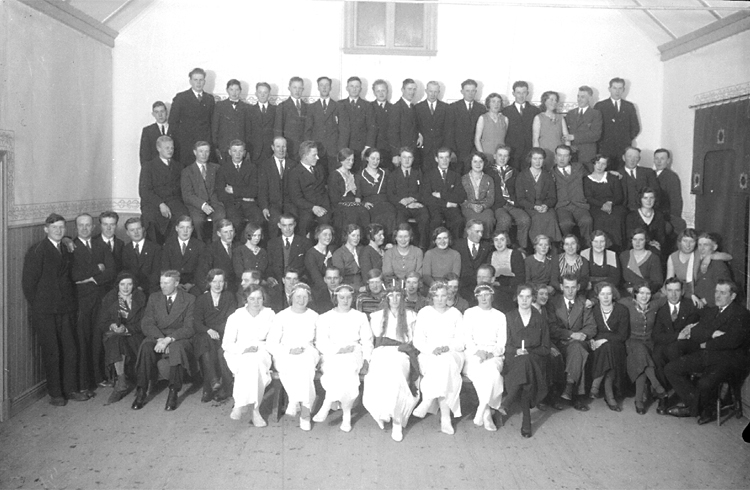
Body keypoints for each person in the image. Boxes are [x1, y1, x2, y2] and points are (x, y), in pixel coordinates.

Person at [665, 280, 750, 424]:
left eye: (722, 293)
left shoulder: (741, 314)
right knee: (671, 369)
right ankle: (699, 407)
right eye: (716, 292)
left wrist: (706, 342)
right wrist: (712, 333)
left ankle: (697, 409)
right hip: (708, 355)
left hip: (729, 360)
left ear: (733, 296)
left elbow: (732, 341)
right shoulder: (712, 311)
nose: (717, 296)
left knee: (704, 383)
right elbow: (695, 332)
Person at [22, 214, 85, 406]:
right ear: (46, 229)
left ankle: (71, 389)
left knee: (70, 350)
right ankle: (56, 393)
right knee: (52, 352)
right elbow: (28, 284)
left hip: (65, 309)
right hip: (45, 311)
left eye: (61, 227)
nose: (58, 230)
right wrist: (41, 306)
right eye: (54, 227)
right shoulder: (37, 251)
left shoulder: (65, 248)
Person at [132, 271, 196, 411]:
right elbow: (147, 323)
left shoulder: (189, 299)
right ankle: (141, 390)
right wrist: (160, 339)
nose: (162, 286)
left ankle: (173, 391)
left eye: (167, 283)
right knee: (146, 347)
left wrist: (169, 339)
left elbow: (189, 327)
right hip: (158, 335)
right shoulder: (154, 297)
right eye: (161, 282)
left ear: (176, 283)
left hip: (178, 337)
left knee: (177, 349)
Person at [313, 284, 373, 432]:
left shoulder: (360, 316)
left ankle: (327, 402)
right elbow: (321, 342)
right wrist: (338, 350)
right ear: (336, 298)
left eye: (348, 297)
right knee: (340, 369)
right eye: (341, 297)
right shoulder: (325, 317)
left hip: (353, 352)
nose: (345, 301)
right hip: (332, 353)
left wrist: (366, 359)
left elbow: (367, 341)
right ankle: (346, 415)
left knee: (347, 366)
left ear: (353, 298)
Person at [363, 287, 419, 442]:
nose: (394, 299)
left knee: (396, 374)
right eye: (391, 296)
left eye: (398, 295)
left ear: (402, 297)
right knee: (376, 373)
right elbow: (374, 337)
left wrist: (407, 348)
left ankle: (397, 420)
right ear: (386, 298)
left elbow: (414, 339)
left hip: (401, 351)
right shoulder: (377, 316)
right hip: (381, 351)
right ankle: (381, 411)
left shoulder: (411, 315)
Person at [412, 282, 466, 435]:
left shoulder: (455, 313)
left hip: (453, 353)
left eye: (443, 296)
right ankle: (445, 418)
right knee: (441, 365)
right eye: (437, 296)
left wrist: (448, 347)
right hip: (429, 354)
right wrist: (432, 350)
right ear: (432, 297)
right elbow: (418, 341)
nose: (440, 299)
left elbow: (461, 341)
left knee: (445, 361)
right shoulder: (424, 312)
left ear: (448, 296)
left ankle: (428, 399)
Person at [498, 284, 550, 438]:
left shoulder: (539, 319)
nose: (524, 300)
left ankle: (508, 402)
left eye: (528, 297)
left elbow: (545, 348)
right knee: (525, 370)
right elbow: (504, 345)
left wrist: (529, 352)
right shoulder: (509, 317)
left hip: (534, 359)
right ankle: (526, 420)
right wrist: (516, 351)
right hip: (514, 359)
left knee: (527, 363)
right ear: (517, 298)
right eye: (521, 296)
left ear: (533, 298)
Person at [71, 213, 116, 391]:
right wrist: (97, 268)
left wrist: (92, 279)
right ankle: (84, 382)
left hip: (100, 299)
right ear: (76, 227)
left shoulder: (101, 245)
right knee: (83, 340)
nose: (84, 228)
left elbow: (111, 271)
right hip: (81, 302)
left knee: (98, 338)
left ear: (93, 227)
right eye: (81, 225)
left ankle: (98, 377)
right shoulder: (71, 247)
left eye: (88, 225)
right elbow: (74, 275)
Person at [267, 283, 319, 430]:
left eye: (304, 297)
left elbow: (319, 341)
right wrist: (288, 351)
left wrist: (310, 350)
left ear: (309, 298)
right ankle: (301, 406)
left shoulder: (314, 316)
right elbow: (271, 343)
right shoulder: (281, 316)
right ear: (291, 298)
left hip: (307, 351)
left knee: (305, 364)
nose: (301, 300)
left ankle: (299, 407)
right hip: (285, 352)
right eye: (298, 296)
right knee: (291, 364)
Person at [222, 284, 273, 427]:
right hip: (239, 352)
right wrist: (244, 349)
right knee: (249, 363)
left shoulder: (270, 314)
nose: (256, 302)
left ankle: (241, 404)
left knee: (255, 362)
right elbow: (227, 343)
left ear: (263, 299)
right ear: (246, 299)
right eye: (252, 299)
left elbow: (273, 340)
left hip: (262, 350)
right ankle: (255, 411)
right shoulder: (236, 316)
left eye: (259, 298)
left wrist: (259, 348)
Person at [462, 284, 507, 431]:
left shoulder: (500, 316)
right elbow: (467, 338)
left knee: (493, 373)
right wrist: (477, 351)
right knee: (479, 373)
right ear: (476, 297)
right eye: (480, 295)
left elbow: (502, 342)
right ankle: (486, 413)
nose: (483, 298)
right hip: (473, 353)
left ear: (492, 296)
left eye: (486, 294)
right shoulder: (469, 313)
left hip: (493, 354)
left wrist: (492, 353)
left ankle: (481, 408)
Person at [652, 277, 700, 414]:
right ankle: (664, 395)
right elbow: (656, 335)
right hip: (669, 343)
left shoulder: (690, 306)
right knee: (657, 355)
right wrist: (677, 336)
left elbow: (699, 326)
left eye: (677, 291)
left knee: (673, 350)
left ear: (683, 291)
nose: (673, 295)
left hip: (686, 345)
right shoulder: (661, 310)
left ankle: (682, 393)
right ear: (665, 291)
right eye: (670, 291)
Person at [620, 282, 669, 414]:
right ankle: (657, 386)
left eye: (648, 293)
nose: (644, 296)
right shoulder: (627, 303)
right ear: (635, 294)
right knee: (640, 352)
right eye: (641, 293)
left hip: (649, 343)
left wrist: (693, 295)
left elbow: (670, 296)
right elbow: (610, 298)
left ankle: (639, 400)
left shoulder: (655, 304)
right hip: (631, 342)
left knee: (641, 362)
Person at [550, 275, 596, 411]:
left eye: (573, 287)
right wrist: (571, 334)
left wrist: (581, 336)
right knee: (576, 351)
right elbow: (551, 327)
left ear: (578, 287)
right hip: (559, 341)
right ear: (561, 287)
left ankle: (569, 388)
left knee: (577, 349)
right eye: (567, 287)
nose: (570, 291)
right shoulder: (553, 302)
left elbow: (591, 327)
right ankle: (576, 395)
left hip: (578, 342)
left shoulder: (583, 303)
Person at [98, 272, 146, 404]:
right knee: (116, 340)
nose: (125, 287)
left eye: (129, 284)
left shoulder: (140, 298)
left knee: (120, 341)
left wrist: (127, 329)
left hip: (135, 335)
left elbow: (144, 323)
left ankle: (123, 384)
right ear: (117, 285)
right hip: (116, 336)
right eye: (122, 284)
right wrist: (112, 326)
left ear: (134, 285)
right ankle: (121, 382)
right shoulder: (110, 299)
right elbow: (102, 322)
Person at [193, 269, 238, 403]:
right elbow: (197, 322)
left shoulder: (229, 296)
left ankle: (211, 386)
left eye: (221, 281)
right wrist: (208, 330)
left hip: (224, 333)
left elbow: (231, 319)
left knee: (217, 350)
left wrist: (217, 331)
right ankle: (213, 382)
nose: (218, 285)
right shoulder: (201, 299)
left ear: (225, 283)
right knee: (205, 342)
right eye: (214, 281)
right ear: (209, 283)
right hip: (205, 334)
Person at [139, 135, 189, 244]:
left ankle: (173, 249)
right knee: (151, 219)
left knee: (182, 216)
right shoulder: (148, 166)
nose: (170, 150)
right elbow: (144, 191)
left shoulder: (179, 166)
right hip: (153, 203)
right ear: (158, 148)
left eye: (172, 148)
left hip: (173, 201)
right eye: (167, 148)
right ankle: (156, 250)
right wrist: (160, 204)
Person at [589, 281, 629, 412]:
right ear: (597, 296)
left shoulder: (622, 310)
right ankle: (609, 396)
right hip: (598, 346)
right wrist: (592, 340)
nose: (606, 297)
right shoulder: (594, 310)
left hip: (617, 345)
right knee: (607, 349)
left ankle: (596, 384)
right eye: (602, 294)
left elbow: (622, 335)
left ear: (613, 295)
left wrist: (604, 339)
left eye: (608, 294)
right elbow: (590, 329)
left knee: (609, 348)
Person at [665, 228, 731, 306]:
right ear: (680, 241)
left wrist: (710, 256)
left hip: (699, 298)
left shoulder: (699, 254)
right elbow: (669, 281)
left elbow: (729, 257)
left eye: (691, 241)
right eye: (685, 241)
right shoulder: (673, 257)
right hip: (683, 293)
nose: (688, 245)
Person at [168, 67, 215, 167]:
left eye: (201, 80)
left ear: (204, 81)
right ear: (190, 81)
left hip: (204, 145)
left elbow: (212, 123)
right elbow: (173, 122)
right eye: (195, 80)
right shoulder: (181, 98)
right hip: (186, 146)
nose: (198, 83)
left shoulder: (210, 99)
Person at [181, 141, 227, 241]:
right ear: (195, 152)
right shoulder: (187, 171)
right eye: (201, 151)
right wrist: (202, 205)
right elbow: (187, 195)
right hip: (197, 205)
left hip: (215, 203)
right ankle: (200, 246)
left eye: (207, 151)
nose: (204, 154)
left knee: (221, 217)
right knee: (197, 222)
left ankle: (216, 245)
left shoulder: (216, 168)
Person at [487, 145, 531, 249]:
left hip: (513, 204)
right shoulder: (488, 171)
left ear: (509, 158)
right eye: (500, 155)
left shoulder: (514, 172)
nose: (502, 158)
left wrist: (517, 203)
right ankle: (500, 247)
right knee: (504, 220)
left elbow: (519, 190)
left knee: (525, 219)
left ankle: (521, 248)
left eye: (505, 156)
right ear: (494, 156)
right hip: (497, 205)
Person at [385, 147, 430, 249]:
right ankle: (402, 247)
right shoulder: (393, 175)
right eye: (404, 157)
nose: (407, 160)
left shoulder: (418, 173)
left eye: (409, 157)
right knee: (400, 221)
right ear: (400, 159)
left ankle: (422, 247)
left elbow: (424, 191)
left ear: (413, 159)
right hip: (401, 206)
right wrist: (405, 203)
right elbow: (390, 194)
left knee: (425, 217)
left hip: (416, 204)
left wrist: (414, 200)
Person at [515, 148, 562, 244]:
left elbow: (552, 197)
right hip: (529, 207)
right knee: (537, 219)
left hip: (544, 207)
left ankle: (552, 246)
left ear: (544, 160)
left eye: (540, 158)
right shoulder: (522, 176)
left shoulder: (548, 176)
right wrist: (534, 206)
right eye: (535, 158)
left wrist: (546, 205)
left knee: (550, 217)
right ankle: (537, 246)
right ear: (530, 159)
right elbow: (520, 199)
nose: (537, 162)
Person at [287, 140, 332, 237]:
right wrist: (312, 207)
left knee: (326, 221)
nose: (317, 158)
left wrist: (324, 207)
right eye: (314, 155)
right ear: (305, 156)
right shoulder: (295, 173)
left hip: (321, 205)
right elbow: (296, 198)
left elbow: (323, 191)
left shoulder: (320, 168)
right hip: (305, 208)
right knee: (305, 222)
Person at [216, 139, 263, 233]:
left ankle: (250, 241)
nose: (237, 154)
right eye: (234, 151)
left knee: (259, 219)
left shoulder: (252, 167)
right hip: (232, 204)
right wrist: (243, 196)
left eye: (240, 151)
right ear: (229, 152)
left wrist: (233, 190)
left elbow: (254, 191)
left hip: (249, 204)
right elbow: (221, 194)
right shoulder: (223, 169)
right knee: (235, 222)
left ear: (244, 153)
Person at [583, 154, 627, 249]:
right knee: (600, 219)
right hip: (596, 206)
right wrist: (602, 204)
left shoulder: (613, 177)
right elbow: (589, 197)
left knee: (617, 218)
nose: (600, 166)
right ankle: (600, 247)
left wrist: (610, 203)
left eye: (603, 164)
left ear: (607, 166)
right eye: (598, 163)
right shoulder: (587, 179)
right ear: (594, 163)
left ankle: (617, 248)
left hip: (614, 205)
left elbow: (619, 196)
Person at [594, 77, 641, 165]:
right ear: (609, 89)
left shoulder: (629, 106)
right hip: (605, 148)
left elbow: (635, 128)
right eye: (614, 88)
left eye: (620, 88)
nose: (617, 91)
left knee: (622, 171)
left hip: (623, 148)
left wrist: (625, 139)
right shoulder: (600, 106)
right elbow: (595, 128)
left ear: (624, 90)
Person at [423, 147, 466, 241]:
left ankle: (455, 246)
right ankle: (433, 247)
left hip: (451, 208)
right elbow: (426, 197)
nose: (444, 161)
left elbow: (461, 196)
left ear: (450, 159)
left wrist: (441, 195)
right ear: (436, 159)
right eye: (441, 157)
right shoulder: (429, 175)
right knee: (436, 221)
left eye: (447, 157)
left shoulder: (455, 175)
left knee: (459, 220)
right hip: (435, 207)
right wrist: (446, 203)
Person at [257, 136, 296, 238]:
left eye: (284, 146)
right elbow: (262, 189)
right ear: (272, 147)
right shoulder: (264, 165)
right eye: (278, 146)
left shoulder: (293, 165)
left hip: (290, 203)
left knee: (294, 220)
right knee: (274, 221)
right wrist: (264, 207)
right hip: (273, 204)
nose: (281, 150)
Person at [551, 145, 592, 240]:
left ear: (570, 157)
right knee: (565, 224)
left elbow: (593, 178)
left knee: (587, 221)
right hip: (562, 206)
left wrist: (609, 173)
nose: (562, 159)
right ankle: (567, 245)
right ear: (555, 156)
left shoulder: (579, 168)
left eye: (565, 156)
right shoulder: (551, 172)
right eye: (559, 155)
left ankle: (586, 246)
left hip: (579, 205)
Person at [446, 79, 486, 172]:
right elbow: (449, 131)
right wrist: (451, 151)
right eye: (467, 91)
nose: (470, 93)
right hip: (458, 151)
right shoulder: (453, 107)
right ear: (462, 91)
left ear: (476, 91)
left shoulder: (481, 108)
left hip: (474, 151)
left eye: (473, 91)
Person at [338, 76, 376, 172]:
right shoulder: (339, 104)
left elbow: (372, 128)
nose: (354, 89)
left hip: (360, 149)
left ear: (361, 89)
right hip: (343, 147)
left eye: (357, 86)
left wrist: (367, 147)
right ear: (347, 88)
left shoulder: (367, 106)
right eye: (351, 86)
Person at [356, 150, 397, 238]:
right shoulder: (360, 175)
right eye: (373, 158)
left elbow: (392, 190)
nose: (375, 161)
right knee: (377, 216)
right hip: (370, 204)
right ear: (367, 158)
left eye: (378, 159)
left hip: (385, 202)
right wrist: (363, 204)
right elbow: (358, 196)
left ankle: (389, 241)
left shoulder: (385, 172)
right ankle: (376, 241)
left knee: (391, 213)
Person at [160, 216, 205, 295]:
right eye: (182, 227)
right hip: (173, 283)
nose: (185, 231)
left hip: (193, 284)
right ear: (176, 228)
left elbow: (201, 270)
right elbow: (165, 267)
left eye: (188, 227)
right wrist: (175, 283)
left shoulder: (200, 246)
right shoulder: (168, 245)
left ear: (192, 229)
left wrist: (191, 284)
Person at [305, 76, 341, 172]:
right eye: (321, 85)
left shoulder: (338, 106)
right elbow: (308, 130)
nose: (324, 88)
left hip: (333, 151)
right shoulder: (311, 107)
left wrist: (340, 149)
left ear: (331, 87)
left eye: (327, 85)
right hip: (317, 150)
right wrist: (310, 149)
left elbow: (343, 130)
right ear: (318, 88)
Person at [328, 147, 370, 231]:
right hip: (340, 206)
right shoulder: (334, 175)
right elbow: (334, 199)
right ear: (341, 160)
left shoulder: (354, 176)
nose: (351, 162)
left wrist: (362, 202)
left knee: (364, 211)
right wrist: (354, 200)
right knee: (352, 214)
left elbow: (358, 195)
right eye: (348, 160)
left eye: (352, 160)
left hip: (354, 204)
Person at [501, 81, 540, 170]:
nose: (521, 95)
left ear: (528, 93)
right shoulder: (505, 111)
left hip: (529, 152)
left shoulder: (535, 111)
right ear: (513, 93)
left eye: (524, 92)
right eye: (518, 93)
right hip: (512, 152)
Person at [211, 79, 251, 163]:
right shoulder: (220, 106)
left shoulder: (246, 107)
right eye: (231, 89)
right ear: (227, 90)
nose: (234, 92)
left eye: (237, 90)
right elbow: (215, 127)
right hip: (224, 147)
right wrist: (216, 147)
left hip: (239, 148)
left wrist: (246, 148)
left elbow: (248, 130)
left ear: (240, 91)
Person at [267, 213, 312, 287]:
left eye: (290, 225)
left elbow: (309, 267)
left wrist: (301, 280)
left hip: (298, 282)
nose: (287, 229)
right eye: (284, 225)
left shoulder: (305, 243)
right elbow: (269, 265)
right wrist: (269, 277)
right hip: (277, 284)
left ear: (295, 224)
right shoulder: (272, 243)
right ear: (279, 225)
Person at [564, 86, 602, 172]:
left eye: (582, 97)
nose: (579, 99)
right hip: (572, 153)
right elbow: (565, 132)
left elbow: (596, 135)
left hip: (587, 154)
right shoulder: (570, 113)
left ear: (590, 98)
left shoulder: (596, 114)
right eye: (578, 96)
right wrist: (569, 146)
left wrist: (574, 137)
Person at [121, 216, 162, 296]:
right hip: (132, 289)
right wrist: (135, 287)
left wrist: (142, 287)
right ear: (127, 233)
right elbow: (126, 272)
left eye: (138, 229)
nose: (136, 232)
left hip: (152, 289)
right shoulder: (126, 249)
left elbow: (157, 273)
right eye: (132, 230)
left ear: (143, 229)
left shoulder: (155, 248)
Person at [195, 219, 237, 294]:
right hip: (218, 290)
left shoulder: (239, 246)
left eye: (231, 231)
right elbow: (201, 273)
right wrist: (207, 292)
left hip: (236, 289)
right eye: (225, 232)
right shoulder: (210, 249)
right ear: (219, 234)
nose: (229, 235)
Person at [454, 220, 491, 301]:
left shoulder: (487, 246)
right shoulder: (457, 245)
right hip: (462, 287)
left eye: (482, 232)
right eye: (477, 231)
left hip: (481, 286)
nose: (480, 235)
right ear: (468, 231)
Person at [489, 229, 525, 313]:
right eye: (496, 240)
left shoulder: (515, 254)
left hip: (511, 289)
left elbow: (520, 278)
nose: (499, 243)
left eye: (502, 239)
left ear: (507, 241)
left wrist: (500, 283)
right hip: (494, 289)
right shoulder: (490, 255)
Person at [533, 91, 569, 171]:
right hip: (544, 153)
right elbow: (535, 139)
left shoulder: (560, 118)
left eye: (556, 100)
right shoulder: (538, 118)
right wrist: (537, 156)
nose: (554, 102)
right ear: (544, 101)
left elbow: (566, 137)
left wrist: (568, 153)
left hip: (559, 154)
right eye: (551, 99)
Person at [653, 148, 686, 235]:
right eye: (656, 158)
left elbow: (675, 200)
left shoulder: (672, 177)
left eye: (662, 159)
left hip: (665, 216)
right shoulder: (650, 174)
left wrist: (673, 219)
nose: (659, 161)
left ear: (668, 161)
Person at [461, 151, 495, 237]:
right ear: (470, 163)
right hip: (468, 208)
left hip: (484, 208)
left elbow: (490, 198)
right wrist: (472, 206)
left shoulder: (489, 179)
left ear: (484, 163)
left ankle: (485, 242)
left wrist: (482, 206)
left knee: (488, 219)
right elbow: (460, 199)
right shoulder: (463, 179)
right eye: (475, 161)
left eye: (480, 161)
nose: (478, 164)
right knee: (472, 221)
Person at [693, 232, 732, 307]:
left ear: (714, 247)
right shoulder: (697, 262)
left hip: (711, 306)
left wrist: (706, 300)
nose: (702, 248)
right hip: (697, 303)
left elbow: (725, 288)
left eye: (706, 245)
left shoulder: (718, 265)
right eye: (700, 245)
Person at [415, 81, 449, 167]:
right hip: (423, 150)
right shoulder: (418, 107)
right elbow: (415, 126)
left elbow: (448, 130)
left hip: (440, 150)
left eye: (435, 92)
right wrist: (419, 134)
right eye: (430, 91)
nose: (433, 94)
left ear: (439, 92)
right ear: (426, 91)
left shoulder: (446, 108)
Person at [620, 228, 664, 295]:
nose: (637, 242)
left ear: (646, 241)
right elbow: (620, 279)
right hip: (626, 293)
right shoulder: (624, 256)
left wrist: (639, 289)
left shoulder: (653, 258)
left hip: (646, 293)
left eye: (641, 240)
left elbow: (657, 282)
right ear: (631, 241)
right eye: (635, 239)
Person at [274, 76, 307, 161]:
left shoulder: (307, 107)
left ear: (303, 89)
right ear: (289, 88)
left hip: (304, 149)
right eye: (294, 87)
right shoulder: (282, 106)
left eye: (300, 88)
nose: (297, 90)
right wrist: (282, 149)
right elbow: (278, 130)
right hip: (289, 148)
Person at [388, 79, 420, 168]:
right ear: (402, 90)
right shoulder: (396, 108)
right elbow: (392, 133)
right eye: (409, 89)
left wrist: (419, 134)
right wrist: (395, 154)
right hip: (401, 154)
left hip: (412, 152)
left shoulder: (412, 107)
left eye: (414, 89)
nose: (412, 92)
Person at [617, 146, 660, 213]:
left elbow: (656, 193)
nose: (632, 160)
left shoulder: (648, 172)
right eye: (629, 156)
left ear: (639, 159)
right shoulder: (616, 175)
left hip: (645, 212)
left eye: (636, 157)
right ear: (623, 158)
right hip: (624, 212)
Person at [625, 188, 667, 254]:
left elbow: (661, 237)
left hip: (654, 249)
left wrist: (657, 244)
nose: (648, 201)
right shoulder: (631, 216)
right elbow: (630, 238)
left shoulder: (659, 216)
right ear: (640, 199)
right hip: (635, 249)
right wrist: (649, 243)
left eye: (651, 198)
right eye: (645, 198)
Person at [581, 230, 622, 296]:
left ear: (606, 242)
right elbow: (583, 277)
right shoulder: (584, 254)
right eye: (596, 241)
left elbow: (615, 279)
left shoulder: (612, 255)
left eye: (602, 241)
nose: (599, 245)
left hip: (608, 290)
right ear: (591, 242)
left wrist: (596, 285)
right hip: (588, 290)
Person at [140, 100, 177, 166]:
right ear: (153, 114)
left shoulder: (175, 129)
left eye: (162, 111)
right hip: (155, 169)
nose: (160, 115)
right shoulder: (148, 131)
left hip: (173, 168)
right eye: (156, 112)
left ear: (166, 112)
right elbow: (144, 155)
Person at [247, 82, 277, 164]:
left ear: (269, 94)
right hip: (254, 151)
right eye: (260, 92)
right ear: (256, 94)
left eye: (265, 92)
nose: (262, 95)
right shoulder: (249, 110)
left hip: (270, 151)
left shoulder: (275, 110)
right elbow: (247, 132)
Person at [474, 92, 508, 162]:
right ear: (488, 103)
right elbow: (477, 139)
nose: (496, 104)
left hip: (500, 156)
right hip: (486, 155)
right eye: (493, 101)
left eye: (498, 102)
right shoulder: (482, 118)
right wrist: (482, 156)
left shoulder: (505, 119)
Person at [332, 224, 365, 291]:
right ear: (346, 236)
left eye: (358, 235)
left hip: (364, 285)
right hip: (348, 288)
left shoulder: (362, 250)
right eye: (353, 235)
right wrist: (358, 288)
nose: (356, 238)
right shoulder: (338, 254)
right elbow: (340, 278)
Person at [304, 224, 334, 292]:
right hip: (316, 290)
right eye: (325, 234)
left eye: (330, 235)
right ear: (318, 235)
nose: (328, 237)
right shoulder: (311, 254)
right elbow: (316, 278)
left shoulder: (331, 251)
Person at [371, 79, 394, 165]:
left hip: (388, 150)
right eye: (378, 91)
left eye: (383, 90)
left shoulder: (393, 108)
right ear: (374, 92)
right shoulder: (369, 107)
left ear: (387, 91)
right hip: (373, 149)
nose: (381, 93)